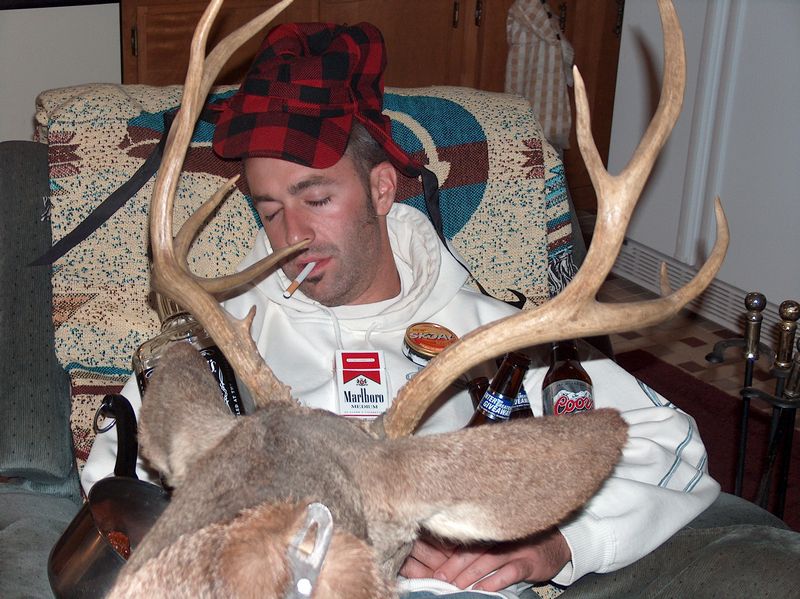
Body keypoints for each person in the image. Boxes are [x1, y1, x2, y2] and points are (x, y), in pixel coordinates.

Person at [82, 21, 799, 599]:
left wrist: (560, 542)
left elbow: (672, 449)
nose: (291, 235)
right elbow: (118, 477)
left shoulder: (496, 339)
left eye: (316, 198)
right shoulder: (223, 343)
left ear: (382, 188)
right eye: (269, 210)